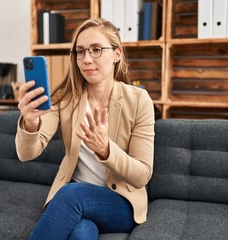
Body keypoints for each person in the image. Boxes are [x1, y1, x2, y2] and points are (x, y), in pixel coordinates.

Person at [15, 18, 155, 240]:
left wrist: (105, 149)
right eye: (80, 51)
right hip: (76, 200)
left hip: (120, 203)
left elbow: (142, 175)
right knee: (82, 232)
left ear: (117, 54)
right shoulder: (65, 99)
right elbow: (26, 153)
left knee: (71, 194)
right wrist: (30, 123)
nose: (86, 59)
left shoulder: (139, 100)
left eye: (96, 50)